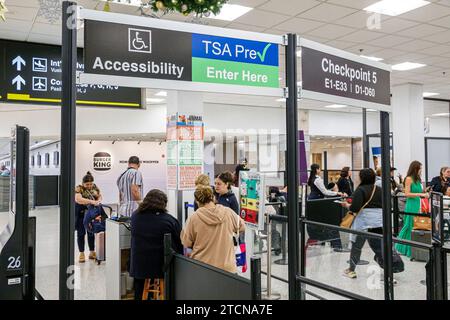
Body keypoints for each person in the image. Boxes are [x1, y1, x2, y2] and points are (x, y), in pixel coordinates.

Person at [130, 189, 183, 300]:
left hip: (139, 266)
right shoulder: (170, 220)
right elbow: (180, 242)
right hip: (162, 268)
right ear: (163, 204)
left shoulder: (135, 216)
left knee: (140, 284)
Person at [181, 186, 245, 273]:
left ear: (197, 201)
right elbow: (242, 226)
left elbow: (186, 242)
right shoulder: (228, 212)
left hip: (202, 267)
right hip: (227, 269)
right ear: (213, 197)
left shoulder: (193, 218)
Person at [341, 169, 383, 279]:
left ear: (362, 178)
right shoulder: (379, 189)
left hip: (363, 223)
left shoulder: (360, 190)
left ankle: (351, 270)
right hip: (378, 222)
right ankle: (388, 271)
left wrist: (346, 205)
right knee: (379, 248)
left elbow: (355, 208)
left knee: (357, 246)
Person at [395, 161, 430, 258]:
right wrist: (421, 194)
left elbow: (419, 192)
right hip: (411, 204)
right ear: (415, 169)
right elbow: (407, 194)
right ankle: (403, 247)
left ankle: (414, 249)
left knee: (416, 226)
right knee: (409, 225)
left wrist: (425, 191)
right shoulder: (409, 179)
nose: (421, 170)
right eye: (420, 168)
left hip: (418, 204)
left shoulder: (418, 180)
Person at [75, 172, 102, 263]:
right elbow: (78, 199)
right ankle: (81, 253)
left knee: (91, 232)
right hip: (81, 215)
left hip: (91, 214)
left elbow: (99, 196)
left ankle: (92, 251)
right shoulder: (79, 188)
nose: (89, 186)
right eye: (87, 184)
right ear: (83, 183)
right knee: (81, 233)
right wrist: (92, 201)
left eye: (91, 184)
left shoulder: (95, 188)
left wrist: (98, 200)